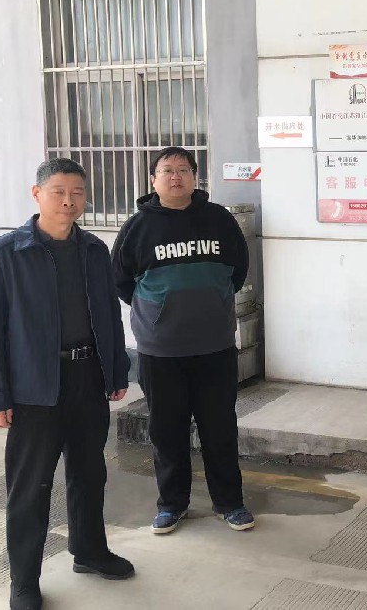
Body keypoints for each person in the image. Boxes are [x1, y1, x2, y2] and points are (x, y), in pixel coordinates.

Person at [0, 159, 134, 610]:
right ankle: (24, 579)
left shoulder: (94, 250)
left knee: (89, 473)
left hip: (87, 377)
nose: (69, 201)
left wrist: (116, 369)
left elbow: (110, 316)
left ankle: (90, 551)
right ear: (37, 194)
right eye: (59, 191)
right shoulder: (2, 254)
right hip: (33, 387)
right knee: (31, 486)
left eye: (77, 192)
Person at [111, 146, 253, 535]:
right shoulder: (137, 228)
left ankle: (230, 502)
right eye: (167, 170)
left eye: (184, 170)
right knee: (167, 431)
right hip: (161, 351)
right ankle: (172, 505)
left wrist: (211, 305)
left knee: (220, 429)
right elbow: (122, 282)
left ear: (194, 177)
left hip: (215, 346)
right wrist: (160, 313)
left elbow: (238, 269)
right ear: (153, 180)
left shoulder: (219, 219)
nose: (176, 176)